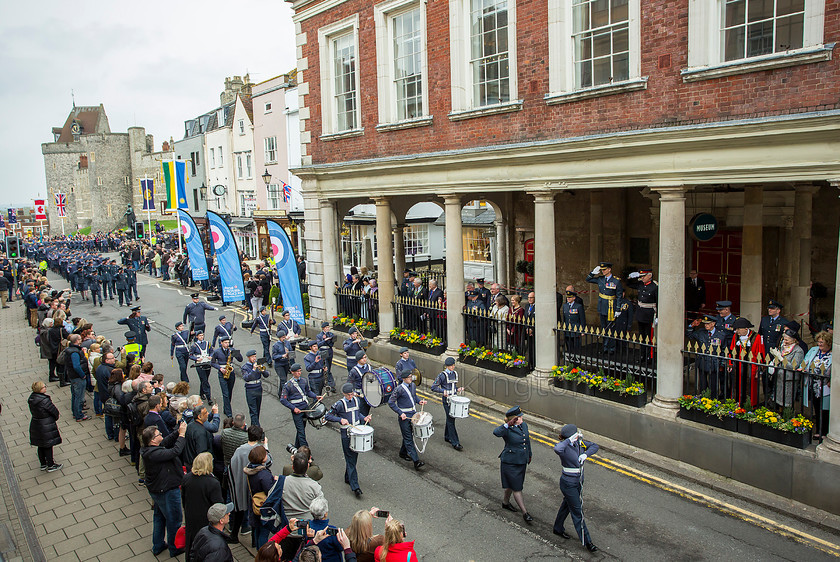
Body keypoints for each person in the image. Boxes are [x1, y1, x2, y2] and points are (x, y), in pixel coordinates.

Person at [141, 420, 188, 558]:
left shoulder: (150, 450)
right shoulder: (155, 454)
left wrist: (177, 432)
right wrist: (182, 435)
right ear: (152, 440)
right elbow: (175, 451)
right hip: (167, 489)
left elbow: (166, 441)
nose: (161, 434)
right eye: (158, 434)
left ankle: (158, 545)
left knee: (159, 517)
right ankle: (175, 547)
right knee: (174, 519)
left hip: (156, 489)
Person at [552, 424, 599, 552]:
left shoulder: (579, 443)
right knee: (577, 512)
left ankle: (558, 527)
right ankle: (587, 541)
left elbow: (595, 446)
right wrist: (569, 440)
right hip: (568, 483)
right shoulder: (564, 447)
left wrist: (586, 454)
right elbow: (557, 449)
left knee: (567, 504)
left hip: (578, 481)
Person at [325, 383, 372, 497]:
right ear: (344, 394)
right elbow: (327, 416)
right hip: (346, 434)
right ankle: (355, 487)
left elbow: (357, 413)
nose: (351, 396)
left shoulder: (356, 400)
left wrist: (364, 418)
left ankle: (348, 477)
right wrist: (340, 419)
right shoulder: (340, 404)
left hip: (356, 432)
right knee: (350, 459)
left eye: (352, 394)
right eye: (348, 395)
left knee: (353, 458)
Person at [492, 405, 533, 523]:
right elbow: (496, 432)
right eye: (519, 417)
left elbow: (527, 441)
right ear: (513, 419)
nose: (522, 419)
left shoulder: (524, 425)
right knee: (517, 487)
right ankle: (525, 513)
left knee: (512, 485)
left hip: (521, 461)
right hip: (510, 462)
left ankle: (505, 502)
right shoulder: (506, 429)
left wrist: (529, 455)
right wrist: (508, 424)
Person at [181, 452, 224, 560]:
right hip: (205, 519)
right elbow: (218, 505)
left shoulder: (187, 478)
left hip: (191, 516)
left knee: (191, 542)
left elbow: (184, 498)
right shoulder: (213, 483)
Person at [229, 425, 266, 544]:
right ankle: (254, 541)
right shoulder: (260, 451)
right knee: (255, 513)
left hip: (240, 484)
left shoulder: (239, 450)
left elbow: (232, 467)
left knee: (239, 512)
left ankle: (234, 535)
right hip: (255, 488)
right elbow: (268, 463)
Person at [388, 370, 426, 471]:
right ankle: (416, 461)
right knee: (409, 438)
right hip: (404, 416)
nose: (411, 378)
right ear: (404, 379)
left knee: (409, 434)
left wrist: (419, 401)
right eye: (409, 377)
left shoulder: (413, 386)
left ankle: (403, 452)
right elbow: (391, 402)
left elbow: (413, 396)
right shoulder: (399, 389)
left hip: (413, 414)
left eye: (411, 376)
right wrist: (400, 413)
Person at [687, 314, 730, 398]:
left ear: (713, 324)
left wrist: (722, 364)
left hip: (714, 363)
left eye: (708, 323)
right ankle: (703, 399)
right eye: (705, 324)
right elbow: (689, 334)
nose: (706, 325)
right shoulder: (701, 332)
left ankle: (712, 401)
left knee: (713, 385)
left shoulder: (721, 335)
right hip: (702, 361)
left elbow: (724, 350)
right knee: (703, 384)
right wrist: (692, 325)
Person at [280, 364, 322, 448]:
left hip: (305, 407)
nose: (299, 373)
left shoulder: (304, 380)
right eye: (297, 371)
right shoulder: (288, 385)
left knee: (301, 430)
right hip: (297, 410)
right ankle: (306, 452)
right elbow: (283, 400)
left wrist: (315, 396)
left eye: (300, 371)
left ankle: (296, 447)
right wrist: (293, 408)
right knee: (301, 431)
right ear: (292, 372)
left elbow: (308, 391)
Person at [585, 261, 623, 353]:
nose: (603, 271)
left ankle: (612, 347)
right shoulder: (600, 279)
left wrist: (618, 309)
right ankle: (605, 346)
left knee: (611, 327)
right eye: (602, 270)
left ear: (609, 269)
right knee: (604, 327)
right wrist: (592, 273)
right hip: (602, 306)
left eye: (604, 269)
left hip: (611, 307)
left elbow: (619, 296)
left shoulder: (616, 281)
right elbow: (588, 279)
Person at [245, 445, 277, 548]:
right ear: (261, 458)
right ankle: (262, 553)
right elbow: (270, 490)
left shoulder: (250, 469)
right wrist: (275, 481)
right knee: (264, 532)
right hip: (264, 506)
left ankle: (258, 551)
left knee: (257, 529)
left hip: (255, 503)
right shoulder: (263, 474)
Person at [430, 357, 464, 451]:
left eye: (453, 365)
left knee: (450, 418)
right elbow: (433, 387)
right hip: (447, 400)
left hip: (454, 399)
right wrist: (443, 391)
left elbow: (453, 387)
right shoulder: (442, 375)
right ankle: (455, 442)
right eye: (451, 365)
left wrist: (458, 389)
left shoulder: (454, 374)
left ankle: (447, 436)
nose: (453, 367)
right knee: (451, 419)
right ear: (447, 366)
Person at [28, 381, 63, 472]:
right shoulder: (44, 400)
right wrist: (54, 418)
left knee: (40, 445)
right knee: (48, 445)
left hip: (36, 423)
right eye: (44, 387)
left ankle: (43, 464)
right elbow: (54, 411)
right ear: (40, 389)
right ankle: (51, 465)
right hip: (46, 425)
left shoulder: (32, 399)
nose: (45, 388)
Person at [770, 326, 805, 410]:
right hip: (780, 377)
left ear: (794, 340)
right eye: (784, 339)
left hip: (789, 379)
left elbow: (793, 366)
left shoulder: (798, 351)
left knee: (786, 403)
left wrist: (781, 358)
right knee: (778, 401)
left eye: (786, 340)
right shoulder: (783, 347)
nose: (784, 342)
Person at [210, 337, 243, 418]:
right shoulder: (217, 351)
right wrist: (220, 368)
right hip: (222, 373)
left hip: (231, 373)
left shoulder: (231, 350)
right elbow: (212, 362)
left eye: (228, 342)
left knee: (230, 392)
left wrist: (236, 353)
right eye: (225, 342)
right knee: (225, 393)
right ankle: (229, 413)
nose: (227, 344)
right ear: (221, 343)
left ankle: (226, 408)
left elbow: (240, 359)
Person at [183, 404, 219, 471]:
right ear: (199, 416)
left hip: (189, 461)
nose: (208, 413)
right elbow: (202, 453)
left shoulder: (190, 426)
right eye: (205, 413)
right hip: (197, 466)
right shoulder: (201, 433)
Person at [64, 333, 91, 421]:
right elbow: (76, 366)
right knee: (79, 396)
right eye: (80, 339)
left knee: (75, 395)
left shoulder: (70, 350)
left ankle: (76, 412)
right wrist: (82, 375)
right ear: (77, 341)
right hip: (77, 377)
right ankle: (79, 415)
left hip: (73, 376)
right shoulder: (74, 352)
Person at [625, 268, 657, 341]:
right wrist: (630, 277)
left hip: (649, 313)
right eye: (641, 276)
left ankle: (648, 352)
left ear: (649, 276)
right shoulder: (640, 284)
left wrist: (657, 316)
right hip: (640, 313)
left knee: (648, 336)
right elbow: (628, 284)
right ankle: (642, 352)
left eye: (644, 276)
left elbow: (657, 302)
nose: (642, 278)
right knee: (641, 336)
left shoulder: (654, 286)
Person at [242, 349, 270, 427]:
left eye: (255, 356)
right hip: (250, 390)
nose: (254, 358)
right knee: (253, 411)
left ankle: (254, 427)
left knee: (257, 410)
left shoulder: (258, 365)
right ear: (248, 357)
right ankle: (258, 429)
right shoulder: (245, 367)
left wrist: (262, 369)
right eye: (252, 357)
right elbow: (246, 378)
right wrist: (254, 370)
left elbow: (267, 375)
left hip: (258, 388)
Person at [560, 290, 586, 356]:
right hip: (568, 330)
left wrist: (582, 330)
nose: (568, 299)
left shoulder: (578, 306)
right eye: (567, 297)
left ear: (574, 298)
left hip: (576, 330)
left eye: (570, 297)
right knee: (569, 348)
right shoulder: (565, 306)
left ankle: (577, 364)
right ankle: (571, 363)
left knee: (576, 349)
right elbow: (564, 318)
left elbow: (582, 319)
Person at [189, 331, 213, 401]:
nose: (201, 337)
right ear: (197, 337)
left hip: (207, 363)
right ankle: (209, 397)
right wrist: (196, 358)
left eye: (202, 335)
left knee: (204, 380)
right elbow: (190, 355)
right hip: (199, 365)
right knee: (205, 380)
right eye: (200, 336)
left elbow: (211, 351)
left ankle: (201, 393)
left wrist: (211, 356)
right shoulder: (194, 346)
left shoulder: (207, 343)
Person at [347, 351, 372, 416]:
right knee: (360, 412)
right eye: (362, 358)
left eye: (365, 357)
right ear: (358, 360)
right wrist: (352, 392)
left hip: (368, 394)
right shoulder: (354, 371)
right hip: (359, 395)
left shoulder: (369, 367)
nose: (365, 359)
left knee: (367, 410)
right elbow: (349, 383)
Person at [317, 321, 337, 390]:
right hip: (323, 352)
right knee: (326, 368)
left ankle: (325, 381)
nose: (328, 329)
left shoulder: (331, 334)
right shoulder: (319, 335)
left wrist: (329, 340)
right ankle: (331, 384)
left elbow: (331, 344)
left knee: (328, 368)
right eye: (326, 327)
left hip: (329, 351)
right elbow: (318, 345)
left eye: (328, 327)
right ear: (323, 328)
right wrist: (324, 340)